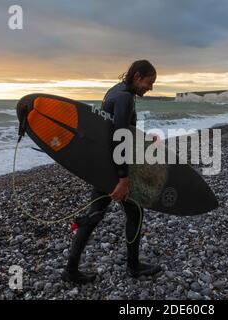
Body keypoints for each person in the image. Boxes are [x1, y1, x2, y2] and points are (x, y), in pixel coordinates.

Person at [62, 60, 162, 284]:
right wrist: (123, 179)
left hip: (103, 166)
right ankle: (134, 267)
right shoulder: (125, 97)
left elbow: (116, 129)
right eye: (149, 82)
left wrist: (145, 140)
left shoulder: (115, 91)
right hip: (113, 171)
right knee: (135, 213)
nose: (150, 87)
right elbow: (119, 138)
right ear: (137, 77)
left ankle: (70, 269)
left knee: (94, 215)